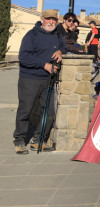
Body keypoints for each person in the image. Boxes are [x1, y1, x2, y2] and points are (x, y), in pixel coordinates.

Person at [14, 9, 66, 154]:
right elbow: (23, 56)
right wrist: (44, 64)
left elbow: (64, 46)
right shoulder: (32, 35)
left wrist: (61, 51)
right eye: (48, 19)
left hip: (47, 80)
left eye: (54, 20)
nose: (51, 22)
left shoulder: (57, 35)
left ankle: (38, 140)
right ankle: (19, 140)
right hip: (29, 78)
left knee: (49, 112)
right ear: (42, 19)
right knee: (25, 110)